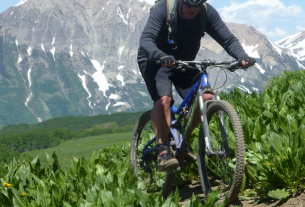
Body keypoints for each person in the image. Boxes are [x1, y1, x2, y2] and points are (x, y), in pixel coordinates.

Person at [137, 0, 256, 172]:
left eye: (197, 5)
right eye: (188, 4)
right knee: (164, 100)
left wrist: (241, 55)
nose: (193, 9)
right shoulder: (164, 8)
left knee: (206, 97)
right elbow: (146, 39)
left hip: (184, 62)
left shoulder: (206, 13)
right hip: (155, 61)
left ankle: (183, 142)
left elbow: (227, 39)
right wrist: (159, 55)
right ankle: (163, 151)